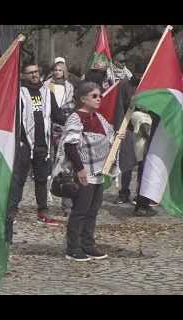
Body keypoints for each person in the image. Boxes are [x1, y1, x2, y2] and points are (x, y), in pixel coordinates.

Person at [53, 81, 125, 261]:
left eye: (100, 95)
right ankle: (73, 247)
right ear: (83, 98)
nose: (99, 99)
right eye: (94, 96)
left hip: (99, 172)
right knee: (80, 211)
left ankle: (88, 244)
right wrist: (80, 169)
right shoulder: (76, 118)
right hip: (84, 171)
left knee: (93, 210)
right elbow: (70, 145)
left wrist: (119, 136)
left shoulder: (98, 118)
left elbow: (110, 136)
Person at [7, 62, 66, 231]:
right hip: (24, 143)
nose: (34, 75)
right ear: (24, 75)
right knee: (18, 179)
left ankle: (43, 212)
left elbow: (57, 115)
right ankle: (12, 211)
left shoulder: (47, 93)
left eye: (36, 72)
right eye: (30, 72)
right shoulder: (19, 93)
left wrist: (75, 118)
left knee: (41, 179)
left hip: (43, 143)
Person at [45, 60, 75, 216]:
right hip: (51, 128)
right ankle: (45, 200)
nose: (57, 72)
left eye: (60, 70)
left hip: (65, 128)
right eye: (55, 70)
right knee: (51, 163)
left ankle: (67, 204)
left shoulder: (69, 87)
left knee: (66, 165)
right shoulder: (47, 86)